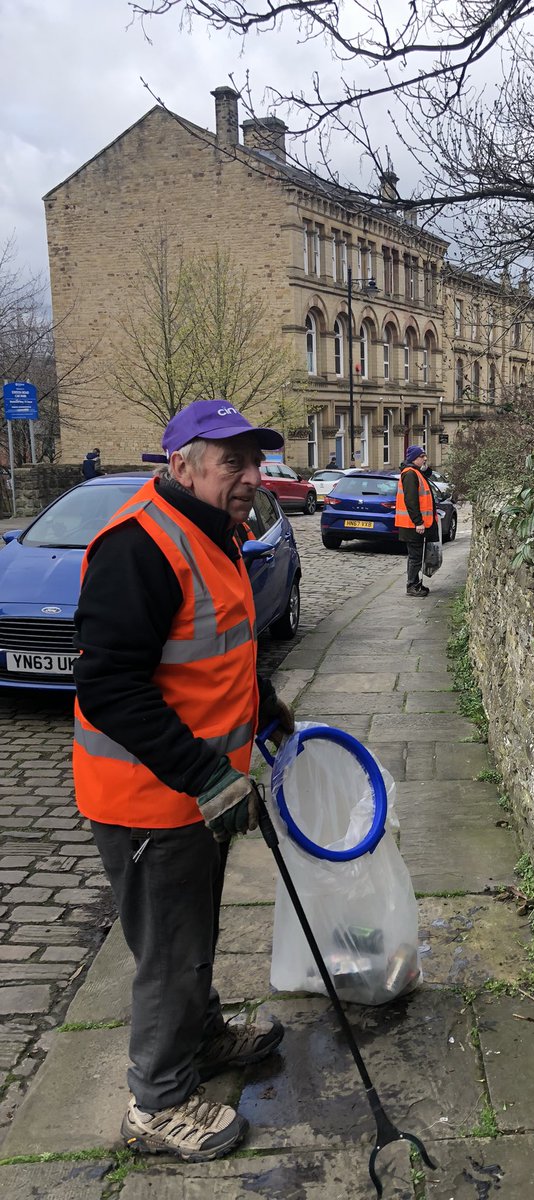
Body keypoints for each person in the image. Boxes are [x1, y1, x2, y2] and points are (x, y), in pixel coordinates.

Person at [72, 399, 295, 1163]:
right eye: (232, 461)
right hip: (149, 799)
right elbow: (111, 687)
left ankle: (202, 1037)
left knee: (193, 931)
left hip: (201, 792)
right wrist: (206, 775)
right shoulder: (137, 547)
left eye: (254, 460)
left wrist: (266, 707)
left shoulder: (215, 533)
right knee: (169, 951)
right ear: (182, 466)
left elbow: (220, 646)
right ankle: (157, 1102)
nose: (250, 476)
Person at [395, 445, 439, 598]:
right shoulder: (410, 474)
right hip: (412, 525)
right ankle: (412, 586)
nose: (425, 458)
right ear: (414, 458)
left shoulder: (415, 472)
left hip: (414, 524)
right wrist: (418, 522)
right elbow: (411, 501)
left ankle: (415, 583)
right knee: (415, 556)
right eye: (422, 456)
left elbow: (427, 475)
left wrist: (426, 468)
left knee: (416, 556)